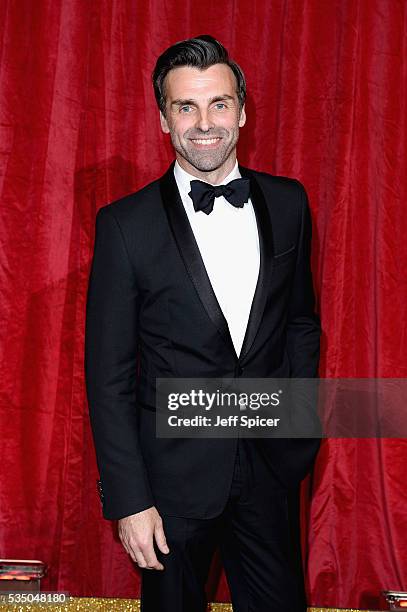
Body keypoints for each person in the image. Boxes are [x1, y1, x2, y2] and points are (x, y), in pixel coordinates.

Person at [85, 34, 321, 612]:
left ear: (242, 110)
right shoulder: (125, 225)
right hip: (170, 488)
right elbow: (109, 378)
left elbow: (300, 324)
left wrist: (298, 427)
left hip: (269, 472)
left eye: (218, 104)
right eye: (184, 107)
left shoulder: (289, 203)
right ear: (163, 119)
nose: (203, 123)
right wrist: (129, 501)